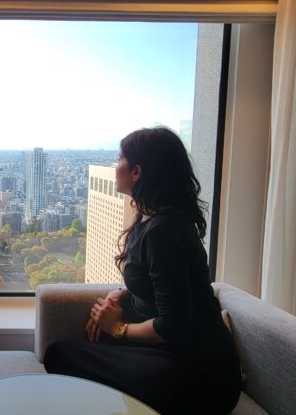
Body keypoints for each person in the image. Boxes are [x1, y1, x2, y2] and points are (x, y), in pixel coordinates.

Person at [43, 127, 241, 415]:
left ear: (137, 172)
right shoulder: (156, 221)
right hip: (177, 356)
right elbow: (165, 285)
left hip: (201, 374)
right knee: (66, 354)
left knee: (60, 354)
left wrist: (117, 328)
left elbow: (173, 325)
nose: (116, 165)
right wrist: (123, 294)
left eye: (120, 158)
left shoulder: (164, 231)